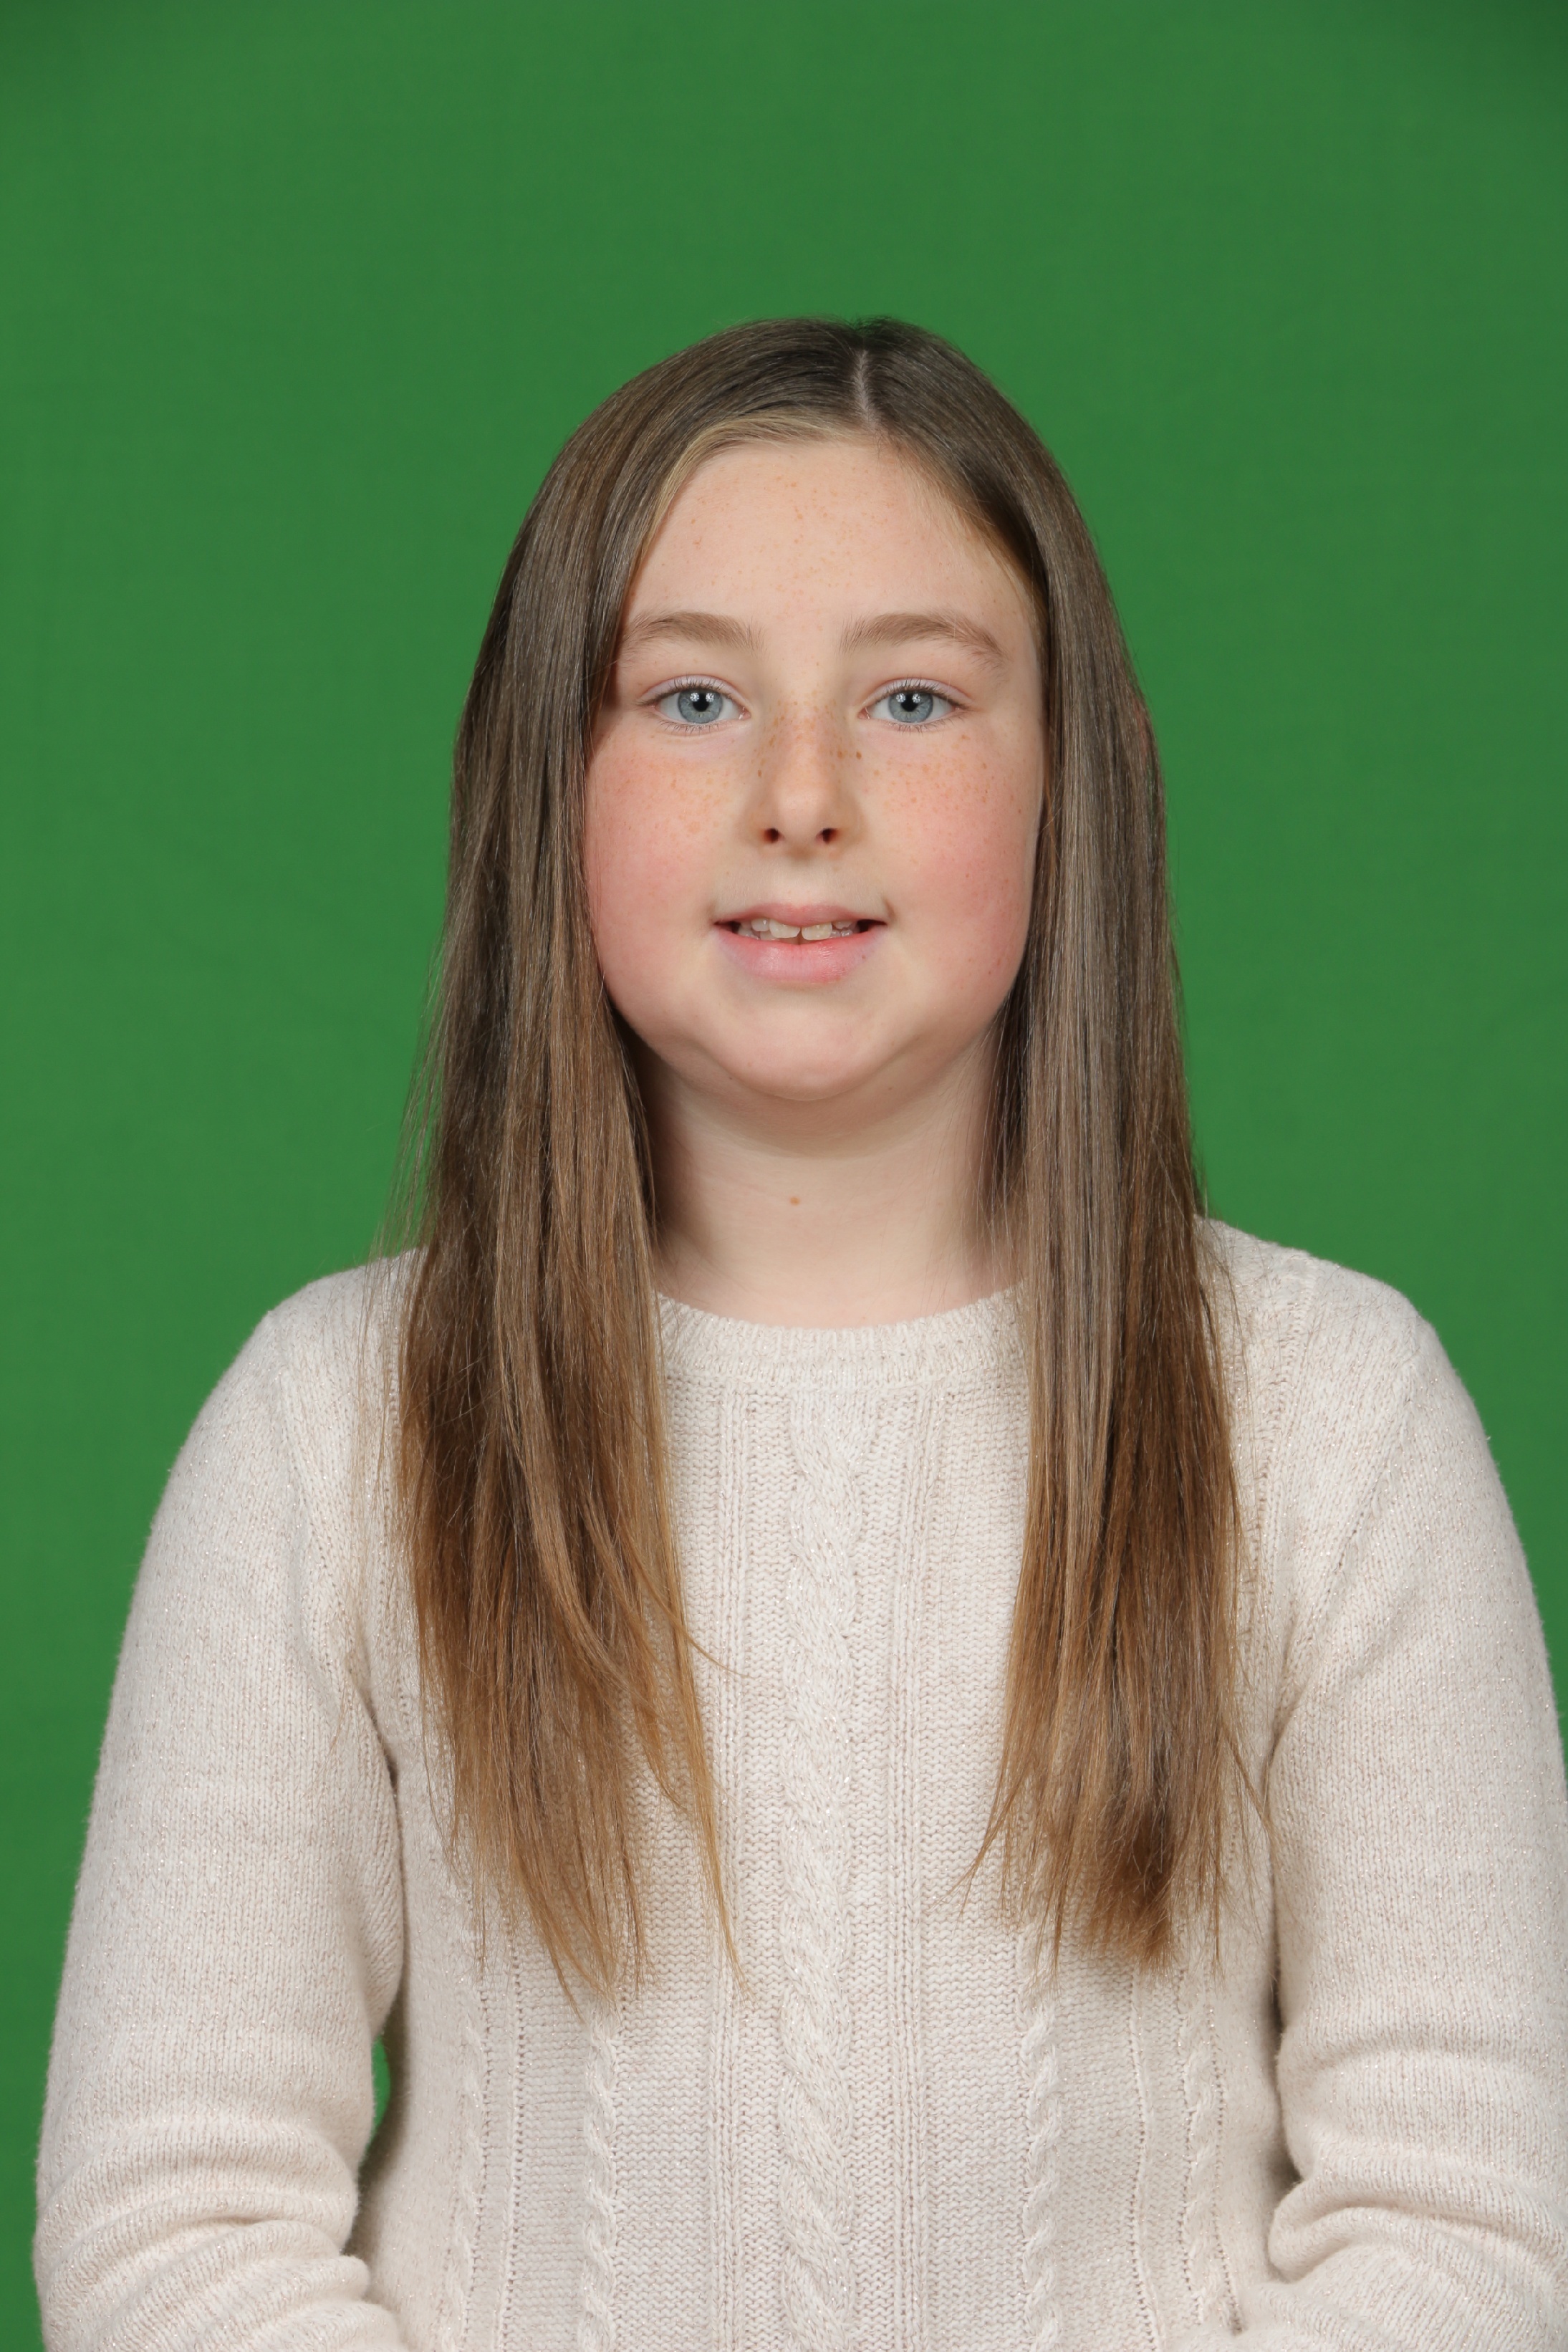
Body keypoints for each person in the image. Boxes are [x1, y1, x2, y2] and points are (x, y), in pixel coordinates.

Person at [34, 318, 1568, 2352]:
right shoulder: (337, 1431)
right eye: (693, 698)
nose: (802, 797)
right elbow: (174, 2222)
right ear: (549, 782)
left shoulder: (1330, 1417)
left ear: (1072, 780)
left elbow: (1469, 2222)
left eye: (913, 697)